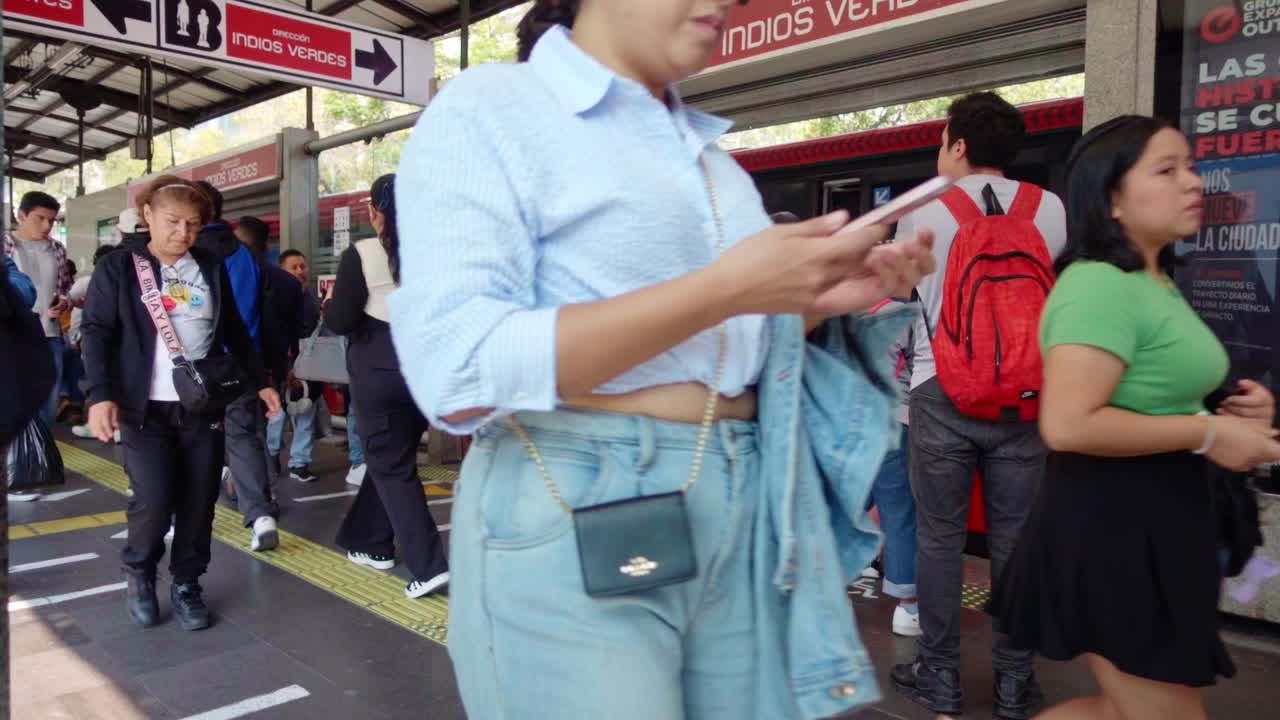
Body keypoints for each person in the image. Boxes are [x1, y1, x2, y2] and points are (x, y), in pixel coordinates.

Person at [389, 2, 937, 717]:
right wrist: (725, 289)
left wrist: (815, 300)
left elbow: (716, 347)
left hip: (744, 492)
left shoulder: (712, 162)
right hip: (579, 493)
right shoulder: (493, 106)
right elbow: (456, 369)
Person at [989, 116, 1280, 720]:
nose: (1194, 183)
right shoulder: (1097, 285)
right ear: (1111, 197)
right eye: (1167, 169)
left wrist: (1229, 408)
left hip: (1157, 525)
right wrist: (1209, 432)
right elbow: (1068, 426)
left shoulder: (1153, 280)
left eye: (1192, 166)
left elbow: (1148, 392)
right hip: (1113, 531)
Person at [889, 91, 1067, 719]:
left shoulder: (922, 209)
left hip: (940, 392)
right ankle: (1015, 684)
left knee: (940, 538)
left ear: (958, 145)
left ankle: (940, 679)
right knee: (1017, 540)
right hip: (1025, 395)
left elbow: (902, 295)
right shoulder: (1051, 209)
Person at [80, 176, 282, 631]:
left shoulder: (209, 266)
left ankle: (187, 582)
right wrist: (100, 395)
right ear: (147, 214)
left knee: (198, 500)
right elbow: (96, 332)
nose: (182, 233)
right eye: (172, 221)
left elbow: (233, 331)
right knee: (153, 499)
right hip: (143, 407)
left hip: (200, 406)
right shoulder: (120, 267)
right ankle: (140, 572)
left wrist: (261, 382)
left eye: (193, 225)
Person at [329, 174, 450, 599]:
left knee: (391, 465)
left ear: (373, 211)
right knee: (390, 460)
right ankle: (370, 543)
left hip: (380, 373)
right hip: (426, 373)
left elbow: (340, 321)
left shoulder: (362, 253)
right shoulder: (441, 253)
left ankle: (429, 565)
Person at [195, 185, 281, 552]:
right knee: (243, 437)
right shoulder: (245, 254)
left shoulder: (187, 254)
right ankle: (260, 515)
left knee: (189, 439)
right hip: (243, 362)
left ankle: (176, 516)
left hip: (196, 366)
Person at [4, 191, 72, 503]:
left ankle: (32, 465)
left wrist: (63, 302)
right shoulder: (6, 247)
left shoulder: (56, 249)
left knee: (47, 401)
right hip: (16, 339)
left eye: (51, 220)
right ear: (21, 215)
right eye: (39, 218)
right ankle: (13, 472)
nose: (47, 225)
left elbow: (64, 289)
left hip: (50, 334)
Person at [865, 295, 920, 637]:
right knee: (899, 513)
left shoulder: (848, 308)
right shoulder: (906, 315)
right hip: (891, 421)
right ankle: (908, 607)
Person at [268, 248, 326, 483]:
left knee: (306, 410)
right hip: (283, 360)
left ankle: (299, 463)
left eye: (303, 266)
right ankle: (271, 454)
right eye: (294, 267)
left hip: (310, 361)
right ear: (282, 271)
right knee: (278, 413)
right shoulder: (273, 297)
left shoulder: (310, 296)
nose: (301, 271)